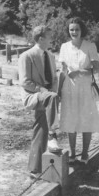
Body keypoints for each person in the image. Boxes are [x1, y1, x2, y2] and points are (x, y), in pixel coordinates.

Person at [18, 25, 62, 178]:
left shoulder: (50, 56)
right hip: (34, 95)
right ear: (41, 39)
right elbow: (24, 82)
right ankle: (52, 135)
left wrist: (53, 91)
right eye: (49, 37)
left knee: (40, 126)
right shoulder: (27, 56)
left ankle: (35, 169)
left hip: (49, 96)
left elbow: (54, 78)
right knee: (50, 101)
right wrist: (44, 91)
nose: (52, 39)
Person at [58, 17, 99, 164]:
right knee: (71, 119)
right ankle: (72, 153)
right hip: (69, 88)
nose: (74, 32)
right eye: (71, 29)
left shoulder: (90, 46)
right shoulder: (64, 47)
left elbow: (96, 68)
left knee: (86, 119)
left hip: (85, 88)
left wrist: (79, 72)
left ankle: (84, 154)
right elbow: (63, 71)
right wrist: (58, 91)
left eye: (77, 29)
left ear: (82, 30)